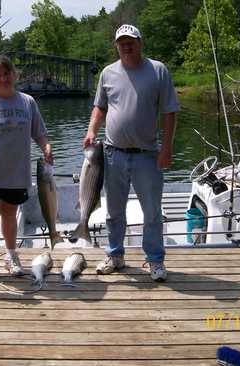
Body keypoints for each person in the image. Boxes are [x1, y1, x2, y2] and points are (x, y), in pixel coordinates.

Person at [83, 24, 179, 281]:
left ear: (140, 42)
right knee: (113, 211)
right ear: (116, 45)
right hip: (112, 154)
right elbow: (100, 107)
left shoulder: (158, 71)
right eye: (121, 42)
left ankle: (155, 260)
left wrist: (167, 149)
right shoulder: (107, 73)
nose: (126, 45)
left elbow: (170, 112)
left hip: (148, 154)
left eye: (131, 41)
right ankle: (115, 255)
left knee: (152, 212)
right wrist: (92, 130)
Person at [0, 55, 53, 283]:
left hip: (17, 172)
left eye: (7, 74)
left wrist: (46, 147)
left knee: (10, 214)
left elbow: (39, 132)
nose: (3, 79)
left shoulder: (27, 102)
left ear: (15, 75)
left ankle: (12, 255)